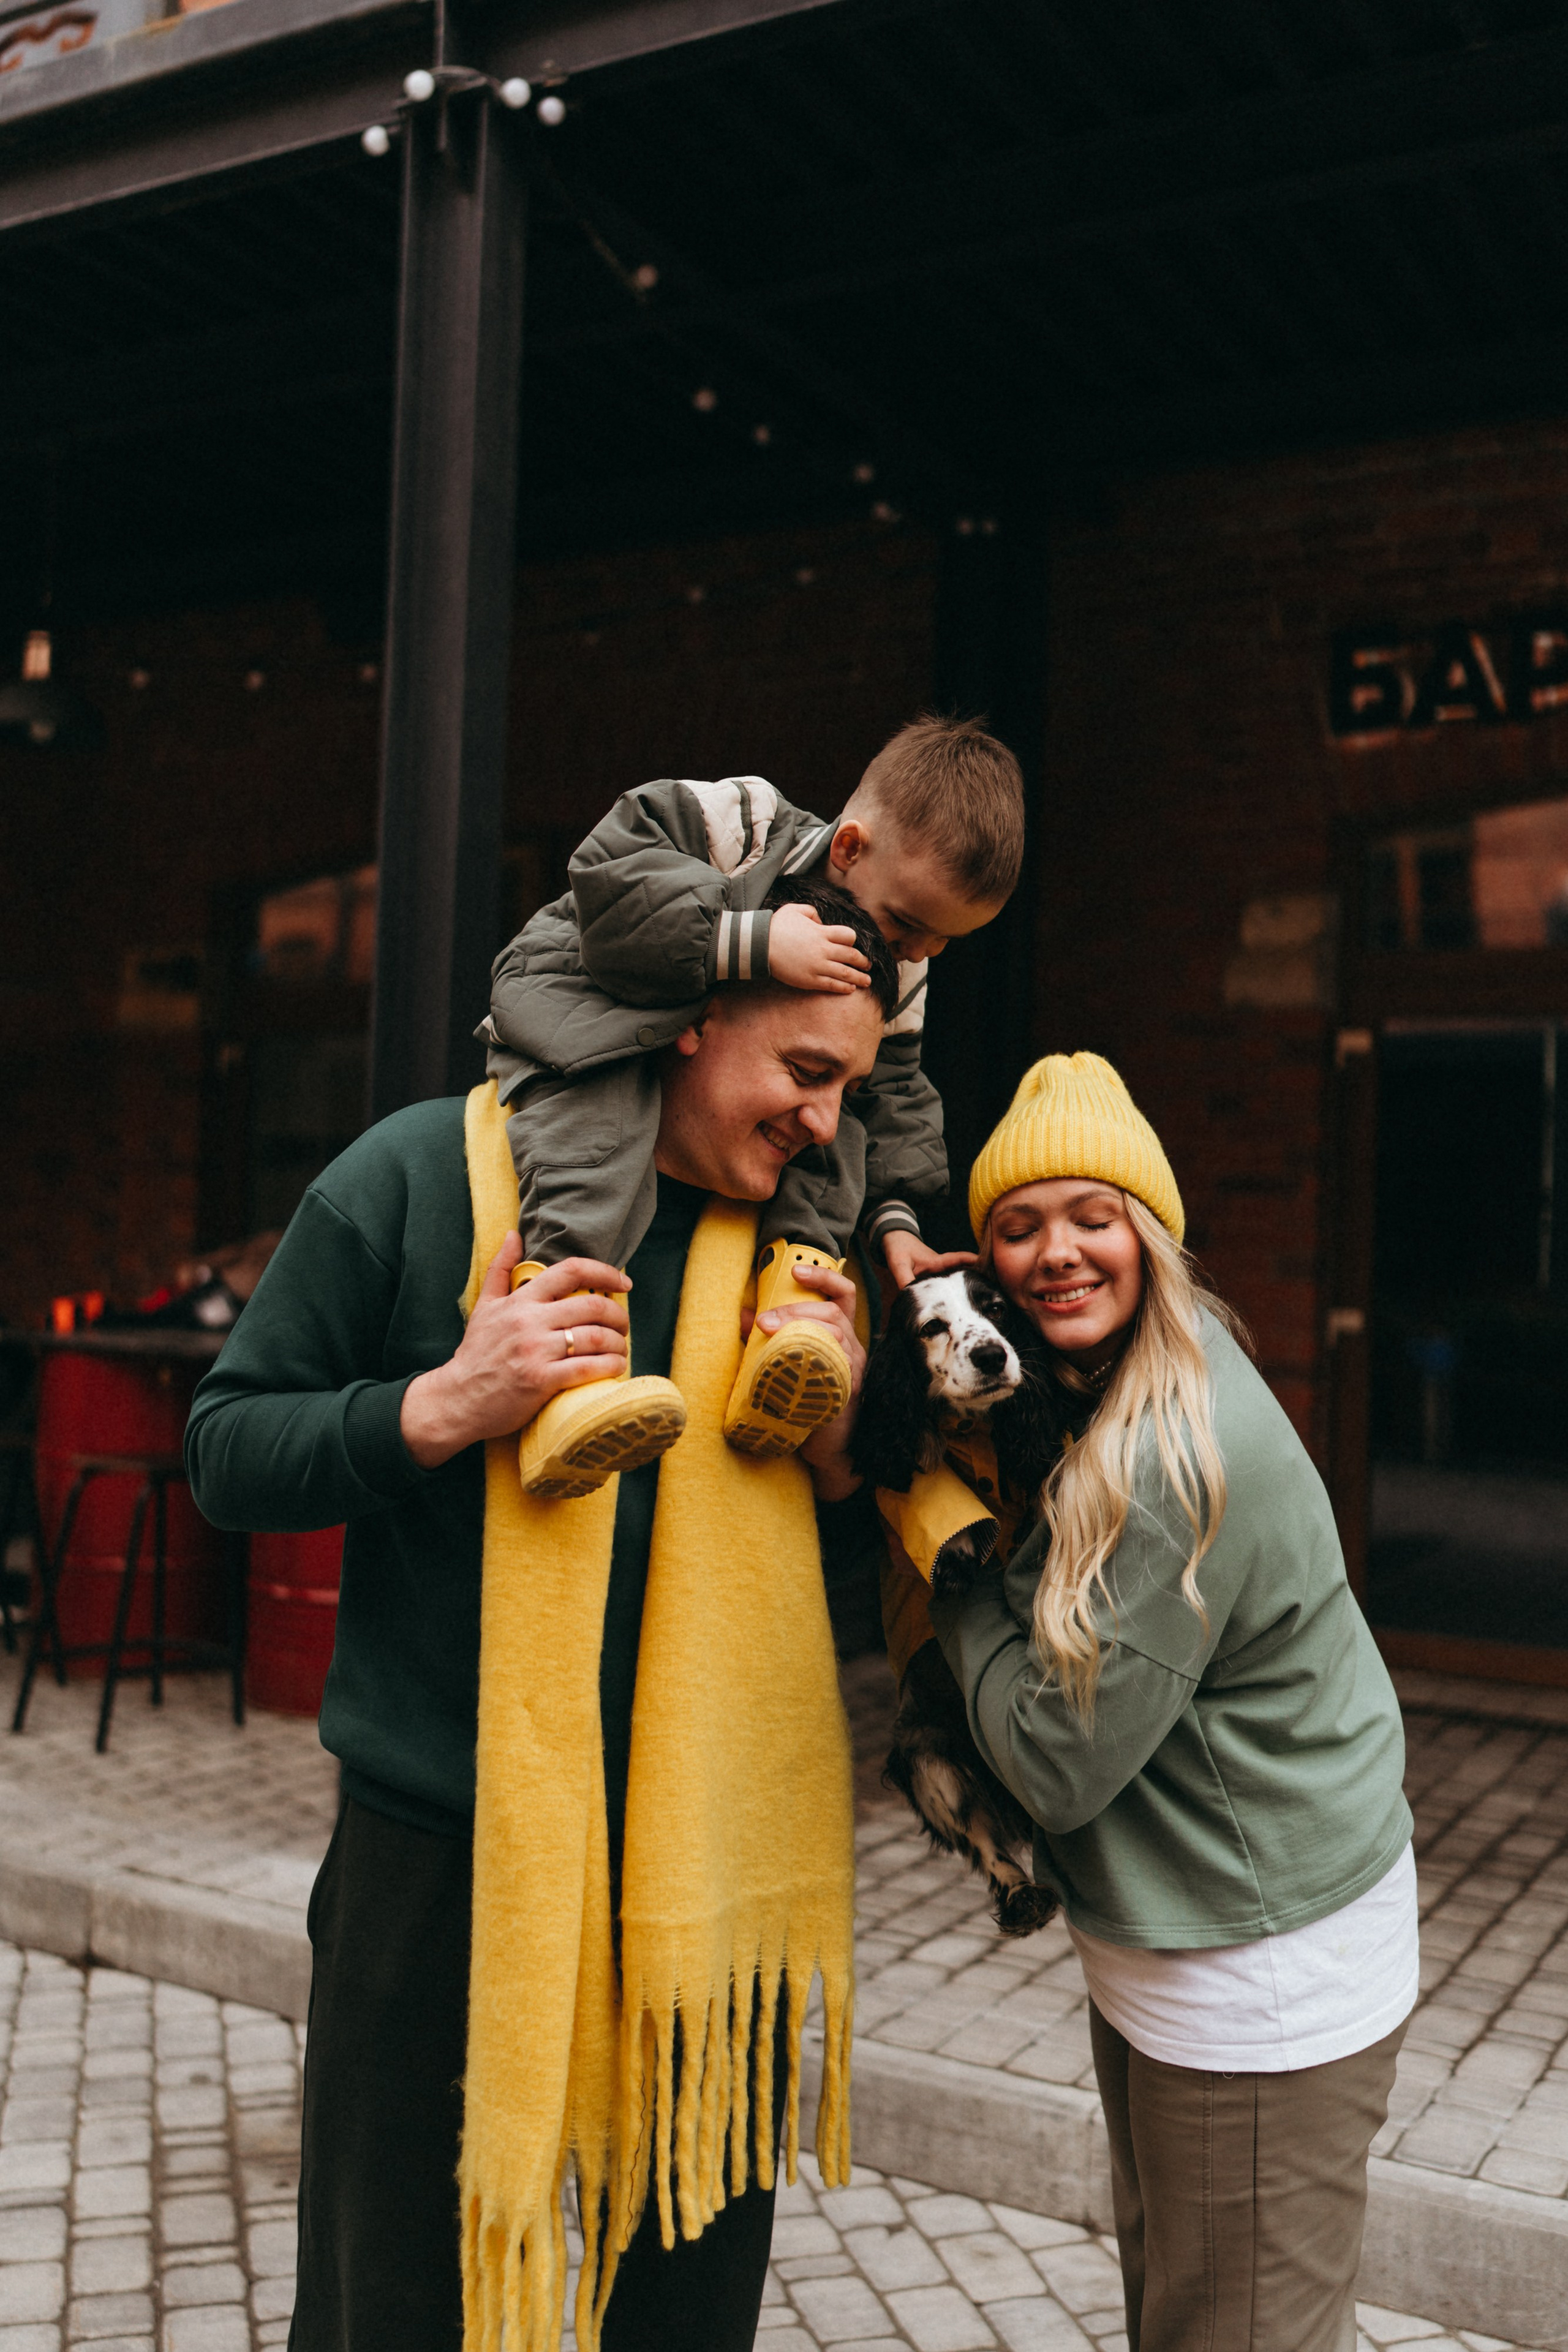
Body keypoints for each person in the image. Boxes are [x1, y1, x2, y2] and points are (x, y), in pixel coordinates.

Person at [184, 908, 895, 2352]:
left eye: (851, 1087)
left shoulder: (802, 1249)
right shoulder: (417, 1174)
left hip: (707, 1864)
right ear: (693, 1018)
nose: (827, 1121)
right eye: (805, 1070)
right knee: (394, 2303)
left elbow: (873, 1538)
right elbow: (225, 1446)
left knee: (685, 2312)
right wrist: (444, 1400)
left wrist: (843, 1446)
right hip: (439, 1851)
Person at [898, 1052, 1416, 2352]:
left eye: (1094, 1216)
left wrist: (948, 1562)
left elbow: (1056, 1765)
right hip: (1181, 1938)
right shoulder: (1106, 1383)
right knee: (1193, 2317)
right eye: (1018, 1226)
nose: (1058, 1253)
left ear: (1152, 1233)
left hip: (1256, 1972)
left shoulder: (1169, 1452)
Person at [480, 715, 1024, 1495]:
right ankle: (566, 1374)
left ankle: (791, 1329)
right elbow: (608, 884)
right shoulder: (739, 821)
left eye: (946, 941)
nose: (918, 954)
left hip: (696, 1031)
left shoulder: (898, 967)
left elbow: (897, 1093)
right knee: (595, 1138)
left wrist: (896, 1219)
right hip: (592, 998)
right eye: (910, 924)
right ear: (849, 849)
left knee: (838, 1142)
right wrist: (750, 941)